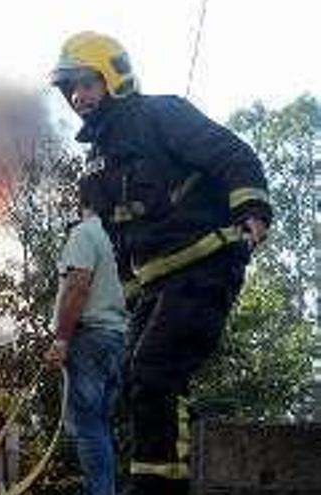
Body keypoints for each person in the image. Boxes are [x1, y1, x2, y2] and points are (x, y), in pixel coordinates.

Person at [49, 32, 272, 495]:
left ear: (115, 76)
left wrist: (252, 210)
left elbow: (231, 154)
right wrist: (132, 295)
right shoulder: (95, 168)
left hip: (206, 264)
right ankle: (164, 478)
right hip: (158, 288)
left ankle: (159, 489)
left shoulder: (161, 115)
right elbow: (117, 243)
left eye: (88, 83)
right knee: (139, 381)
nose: (78, 96)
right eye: (70, 89)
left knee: (155, 372)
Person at [44, 178, 128, 495]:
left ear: (85, 202)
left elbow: (78, 286)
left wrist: (62, 339)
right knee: (101, 426)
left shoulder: (85, 233)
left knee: (88, 428)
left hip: (88, 339)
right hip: (117, 338)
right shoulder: (121, 239)